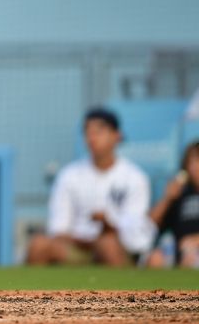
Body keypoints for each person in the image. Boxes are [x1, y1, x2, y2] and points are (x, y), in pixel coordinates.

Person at [26, 108, 155, 266]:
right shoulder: (69, 175)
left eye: (99, 131)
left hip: (118, 250)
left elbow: (136, 234)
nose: (92, 137)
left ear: (117, 136)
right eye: (87, 131)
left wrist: (108, 224)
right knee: (38, 245)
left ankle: (124, 290)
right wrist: (88, 241)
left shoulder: (135, 177)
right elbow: (58, 229)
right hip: (78, 249)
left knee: (108, 244)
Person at [148, 141, 199, 269]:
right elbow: (150, 223)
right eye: (190, 162)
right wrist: (167, 198)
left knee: (191, 258)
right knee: (155, 258)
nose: (193, 167)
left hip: (193, 250)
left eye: (197, 161)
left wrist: (196, 240)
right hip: (177, 248)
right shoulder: (181, 193)